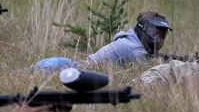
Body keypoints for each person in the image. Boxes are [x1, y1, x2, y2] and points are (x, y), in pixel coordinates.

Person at [35, 10, 172, 70]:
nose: (159, 39)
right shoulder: (136, 50)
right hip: (59, 68)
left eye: (162, 35)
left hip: (63, 64)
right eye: (156, 33)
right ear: (143, 29)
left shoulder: (129, 39)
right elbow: (145, 78)